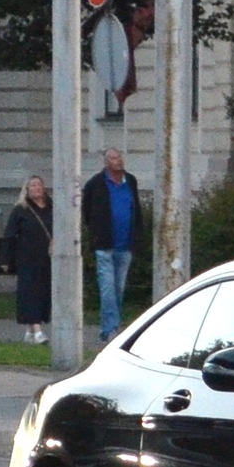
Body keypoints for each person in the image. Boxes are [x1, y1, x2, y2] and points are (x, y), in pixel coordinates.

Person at [82, 147, 141, 343]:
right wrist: (96, 233)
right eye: (114, 158)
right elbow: (87, 211)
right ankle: (112, 328)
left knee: (119, 288)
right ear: (107, 163)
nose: (118, 161)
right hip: (105, 246)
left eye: (120, 157)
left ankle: (108, 327)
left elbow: (136, 210)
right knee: (107, 289)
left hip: (125, 245)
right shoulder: (96, 184)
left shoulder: (130, 181)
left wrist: (136, 236)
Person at [1, 177, 55, 344]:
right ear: (27, 190)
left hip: (48, 258)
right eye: (33, 185)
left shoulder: (52, 208)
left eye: (39, 184)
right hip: (27, 258)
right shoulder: (20, 210)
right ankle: (38, 331)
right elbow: (9, 236)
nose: (37, 188)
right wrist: (5, 259)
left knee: (43, 293)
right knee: (30, 292)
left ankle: (30, 330)